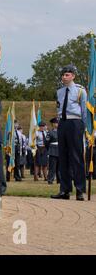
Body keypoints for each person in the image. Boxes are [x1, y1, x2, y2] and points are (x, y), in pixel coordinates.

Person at [52, 65, 87, 201]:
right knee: (63, 157)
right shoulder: (59, 91)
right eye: (63, 74)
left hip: (75, 122)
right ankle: (64, 190)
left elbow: (84, 110)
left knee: (76, 157)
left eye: (67, 74)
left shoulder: (80, 91)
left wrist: (83, 127)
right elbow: (59, 108)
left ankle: (79, 190)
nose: (64, 77)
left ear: (73, 76)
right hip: (63, 123)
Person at [47, 117, 60, 184]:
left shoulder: (61, 131)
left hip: (60, 150)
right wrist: (49, 150)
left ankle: (59, 180)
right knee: (52, 167)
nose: (56, 124)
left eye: (57, 123)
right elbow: (47, 142)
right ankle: (50, 179)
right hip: (53, 150)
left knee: (60, 167)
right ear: (52, 124)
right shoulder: (50, 132)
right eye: (55, 123)